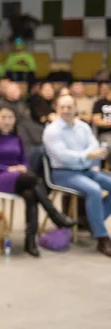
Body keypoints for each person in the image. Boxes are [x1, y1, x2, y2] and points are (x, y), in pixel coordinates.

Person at [0, 106, 74, 257]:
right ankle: (55, 215)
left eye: (10, 117)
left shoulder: (17, 137)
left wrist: (22, 167)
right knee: (33, 179)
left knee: (30, 193)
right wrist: (8, 168)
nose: (7, 121)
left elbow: (24, 161)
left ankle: (30, 241)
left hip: (19, 178)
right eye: (3, 117)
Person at [43, 95, 111, 257]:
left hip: (86, 170)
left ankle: (92, 220)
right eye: (62, 107)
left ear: (75, 108)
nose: (66, 111)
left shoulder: (83, 127)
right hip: (63, 173)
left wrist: (90, 156)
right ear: (57, 109)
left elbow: (93, 144)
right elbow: (64, 156)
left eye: (69, 107)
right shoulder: (52, 130)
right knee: (94, 190)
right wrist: (88, 156)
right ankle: (101, 237)